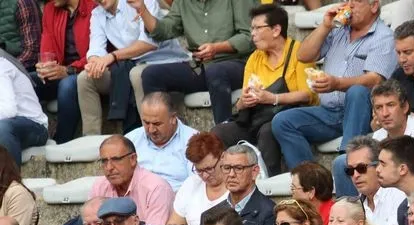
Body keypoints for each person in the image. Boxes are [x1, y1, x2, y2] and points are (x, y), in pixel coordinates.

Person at [270, 0, 397, 170]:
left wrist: (337, 84)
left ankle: (347, 164)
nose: (350, 5)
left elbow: (375, 80)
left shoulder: (384, 36)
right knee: (282, 121)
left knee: (357, 91)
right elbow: (303, 55)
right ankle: (309, 178)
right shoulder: (338, 30)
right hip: (329, 113)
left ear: (374, 6)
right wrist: (325, 26)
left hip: (363, 113)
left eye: (357, 1)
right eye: (347, 0)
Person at [211, 5, 315, 178]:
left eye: (257, 28)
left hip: (284, 117)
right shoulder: (255, 57)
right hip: (256, 117)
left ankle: (271, 182)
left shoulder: (299, 52)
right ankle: (225, 181)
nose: (252, 33)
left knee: (269, 130)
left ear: (276, 30)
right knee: (218, 133)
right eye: (252, 28)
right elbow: (241, 103)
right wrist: (244, 101)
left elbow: (307, 95)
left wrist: (273, 98)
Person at [132, 0, 253, 126]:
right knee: (151, 75)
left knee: (216, 71)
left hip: (238, 63)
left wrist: (217, 48)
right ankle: (164, 131)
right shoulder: (183, 2)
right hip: (201, 66)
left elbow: (249, 36)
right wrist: (143, 9)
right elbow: (163, 31)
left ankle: (223, 130)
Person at [76, 0, 186, 136]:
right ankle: (91, 139)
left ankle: (150, 136)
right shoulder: (97, 14)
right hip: (130, 66)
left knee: (137, 74)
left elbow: (149, 43)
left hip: (163, 61)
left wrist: (113, 56)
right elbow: (96, 48)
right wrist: (94, 63)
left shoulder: (142, 2)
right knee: (85, 78)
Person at [333, 79, 414, 198]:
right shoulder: (378, 136)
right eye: (379, 107)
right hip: (383, 193)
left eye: (390, 105)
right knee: (342, 163)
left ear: (405, 107)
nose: (385, 113)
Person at [30, 0, 93, 144]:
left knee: (67, 85)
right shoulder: (50, 9)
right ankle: (33, 137)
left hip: (88, 70)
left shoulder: (92, 6)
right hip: (61, 71)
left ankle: (62, 142)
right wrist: (45, 67)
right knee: (27, 81)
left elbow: (99, 52)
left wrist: (69, 70)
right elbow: (47, 49)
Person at [90, 135, 174, 225]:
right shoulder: (99, 186)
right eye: (104, 161)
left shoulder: (156, 188)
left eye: (116, 159)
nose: (109, 167)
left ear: (133, 159)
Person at [342, 139, 402, 225]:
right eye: (350, 170)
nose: (355, 175)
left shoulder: (397, 195)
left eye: (361, 168)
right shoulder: (354, 207)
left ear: (379, 166)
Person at [124, 94, 198, 192]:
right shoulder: (131, 139)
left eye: (157, 124)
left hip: (176, 198)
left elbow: (197, 185)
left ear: (173, 118)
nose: (151, 130)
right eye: (146, 123)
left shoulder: (194, 141)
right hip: (136, 197)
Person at [167, 132, 228, 225]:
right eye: (199, 170)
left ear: (223, 157)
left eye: (209, 169)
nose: (205, 176)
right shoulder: (190, 184)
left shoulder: (236, 186)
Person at [220, 144, 278, 225]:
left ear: (254, 172)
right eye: (227, 168)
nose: (231, 174)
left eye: (238, 168)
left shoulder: (270, 213)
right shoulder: (212, 213)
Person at [0, 53, 48, 166]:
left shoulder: (2, 66)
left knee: (2, 128)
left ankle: (11, 176)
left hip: (35, 126)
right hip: (10, 124)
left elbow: (9, 111)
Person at [290, 161, 335, 225]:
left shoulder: (334, 218)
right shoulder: (305, 215)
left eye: (293, 188)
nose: (292, 194)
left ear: (311, 192)